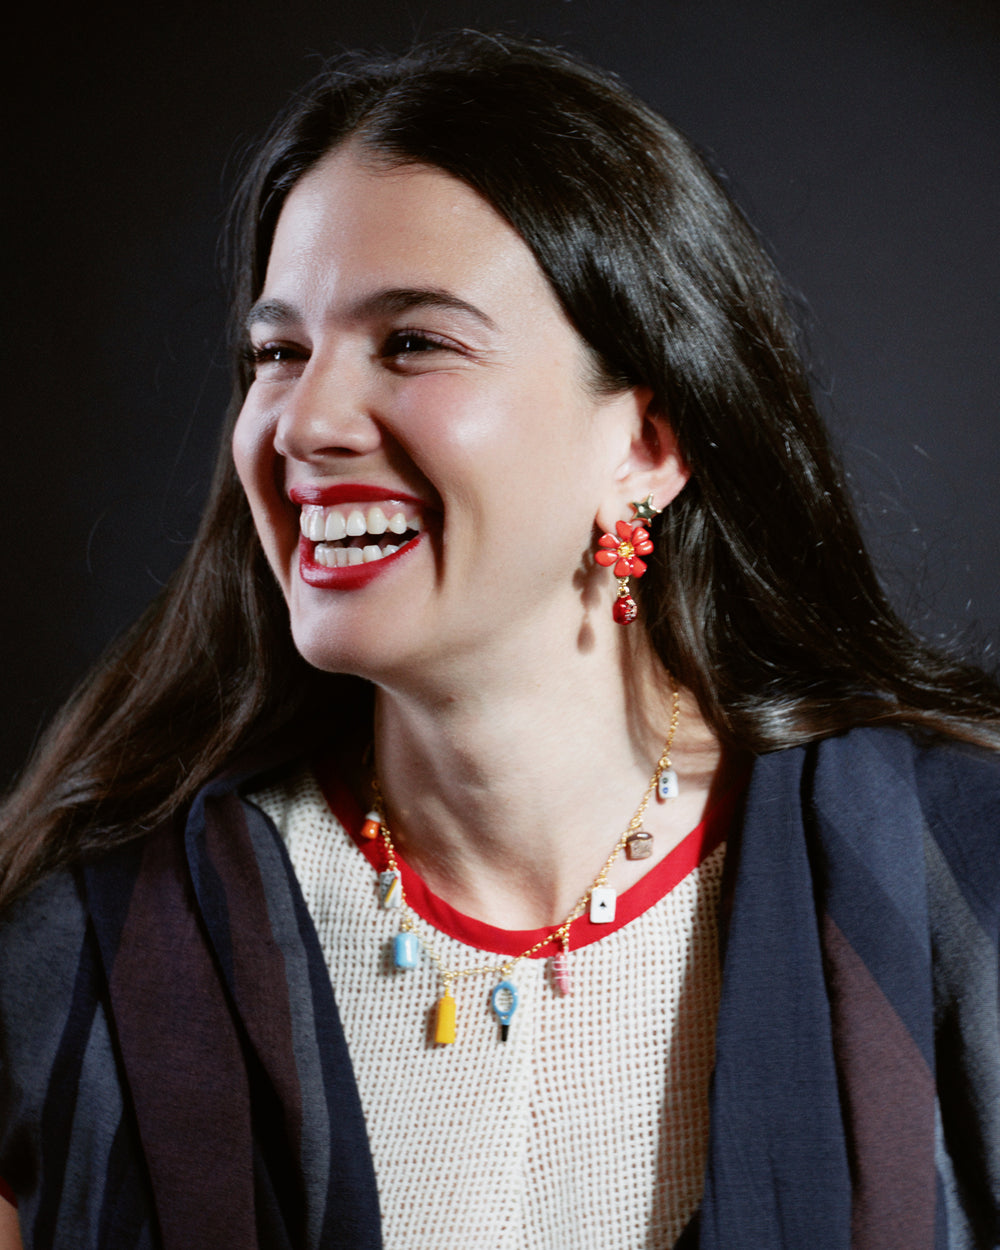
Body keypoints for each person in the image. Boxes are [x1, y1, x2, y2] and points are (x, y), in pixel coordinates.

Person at [2, 30, 999, 1250]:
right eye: (277, 352)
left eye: (413, 339)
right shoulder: (85, 955)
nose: (303, 419)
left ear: (646, 442)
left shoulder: (955, 880)